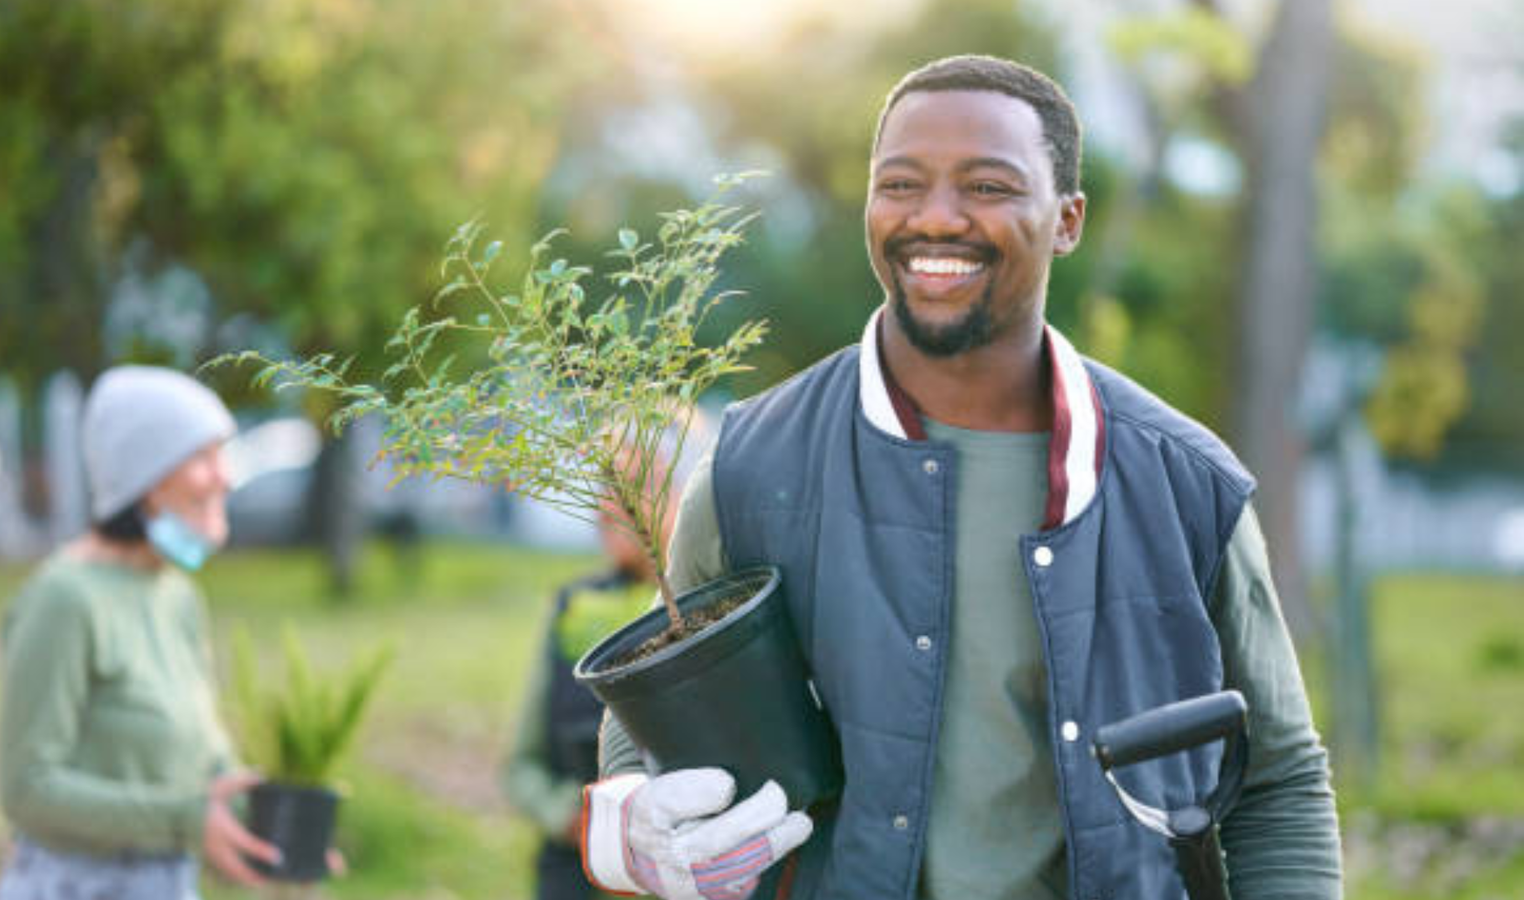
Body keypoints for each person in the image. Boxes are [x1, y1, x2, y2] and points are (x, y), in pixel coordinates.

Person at [581, 56, 1344, 900]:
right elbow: (650, 711)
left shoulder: (1186, 485)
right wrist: (634, 823)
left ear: (1067, 220)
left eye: (987, 186)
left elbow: (1277, 780)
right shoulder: (754, 465)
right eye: (901, 185)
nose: (936, 217)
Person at [0, 366, 280, 900]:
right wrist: (183, 818)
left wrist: (273, 827)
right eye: (203, 457)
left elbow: (203, 753)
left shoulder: (177, 595)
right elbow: (26, 788)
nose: (225, 477)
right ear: (145, 480)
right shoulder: (63, 600)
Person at [505, 423, 706, 900]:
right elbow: (521, 767)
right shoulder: (576, 608)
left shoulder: (712, 616)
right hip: (576, 873)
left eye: (637, 485)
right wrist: (567, 817)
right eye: (606, 488)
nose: (608, 506)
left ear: (690, 493)